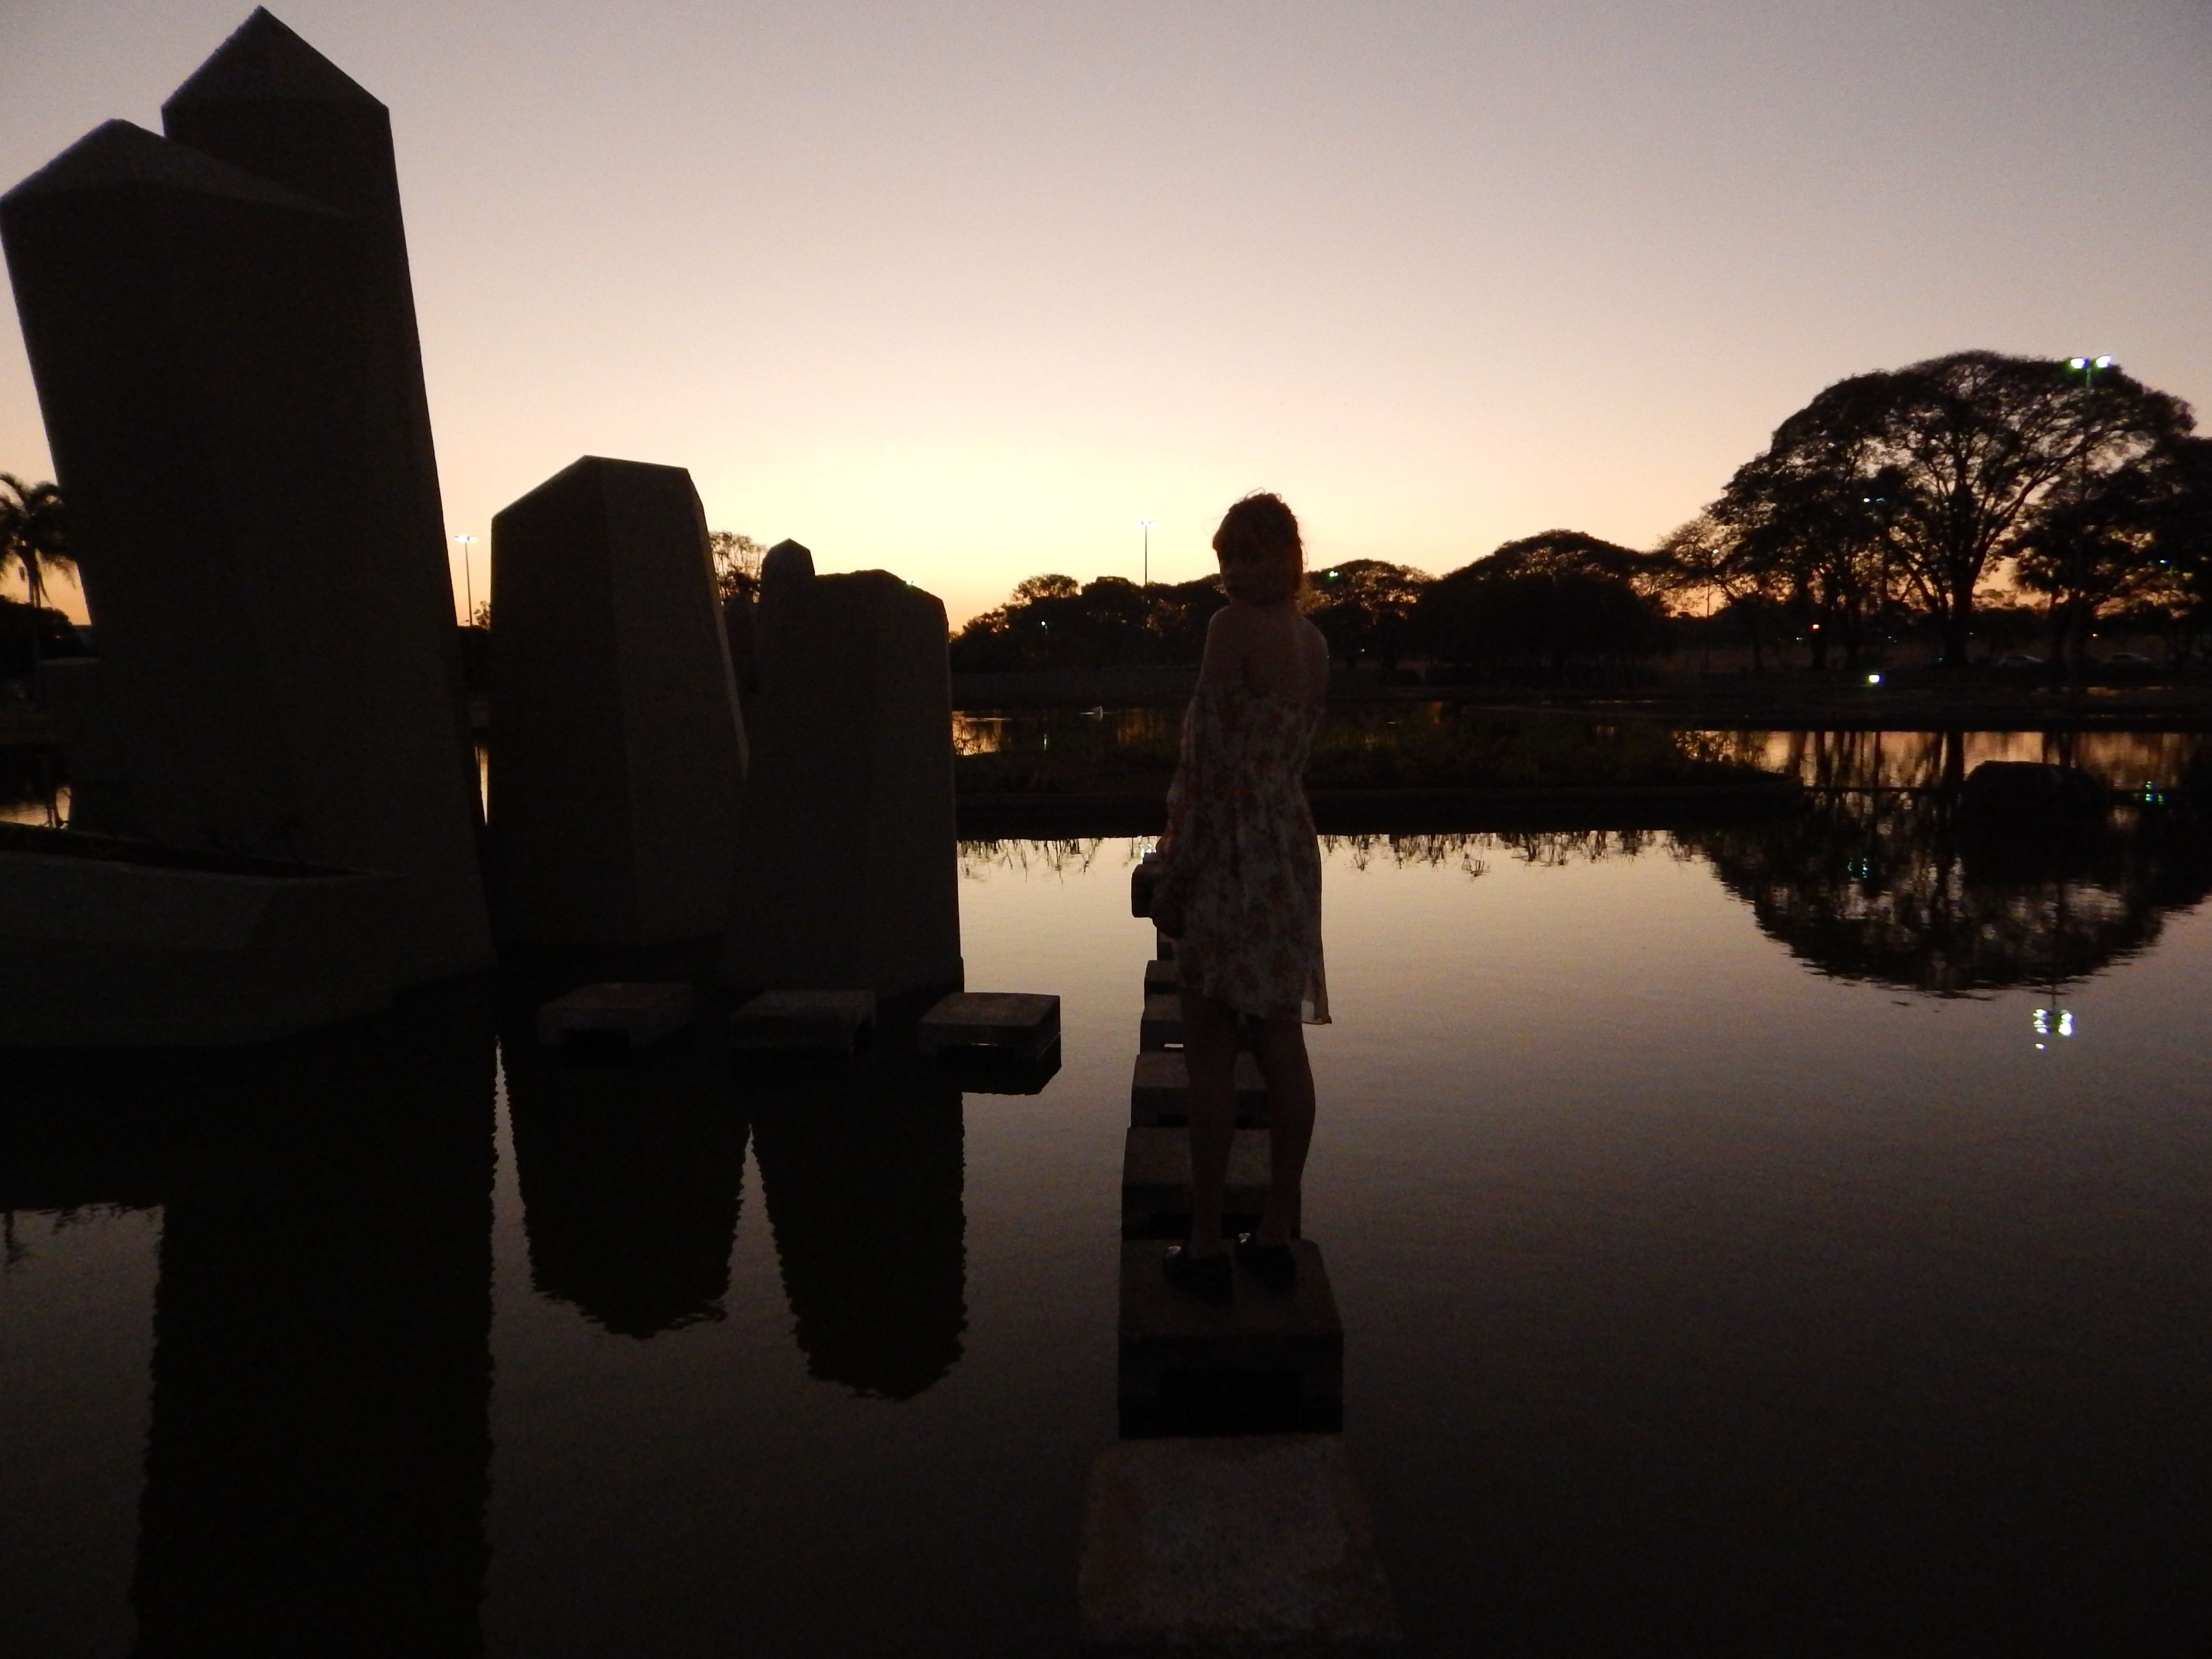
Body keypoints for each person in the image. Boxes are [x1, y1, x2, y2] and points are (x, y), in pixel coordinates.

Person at [1148, 492, 1330, 1302]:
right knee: (1280, 1040)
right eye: (1229, 557)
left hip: (1230, 854)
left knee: (1213, 1056)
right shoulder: (1314, 642)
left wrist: (1176, 875)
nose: (1237, 573)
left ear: (1288, 554)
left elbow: (1209, 766)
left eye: (1252, 554)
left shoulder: (1231, 632)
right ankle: (1280, 1229)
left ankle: (1208, 1237)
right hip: (1288, 849)